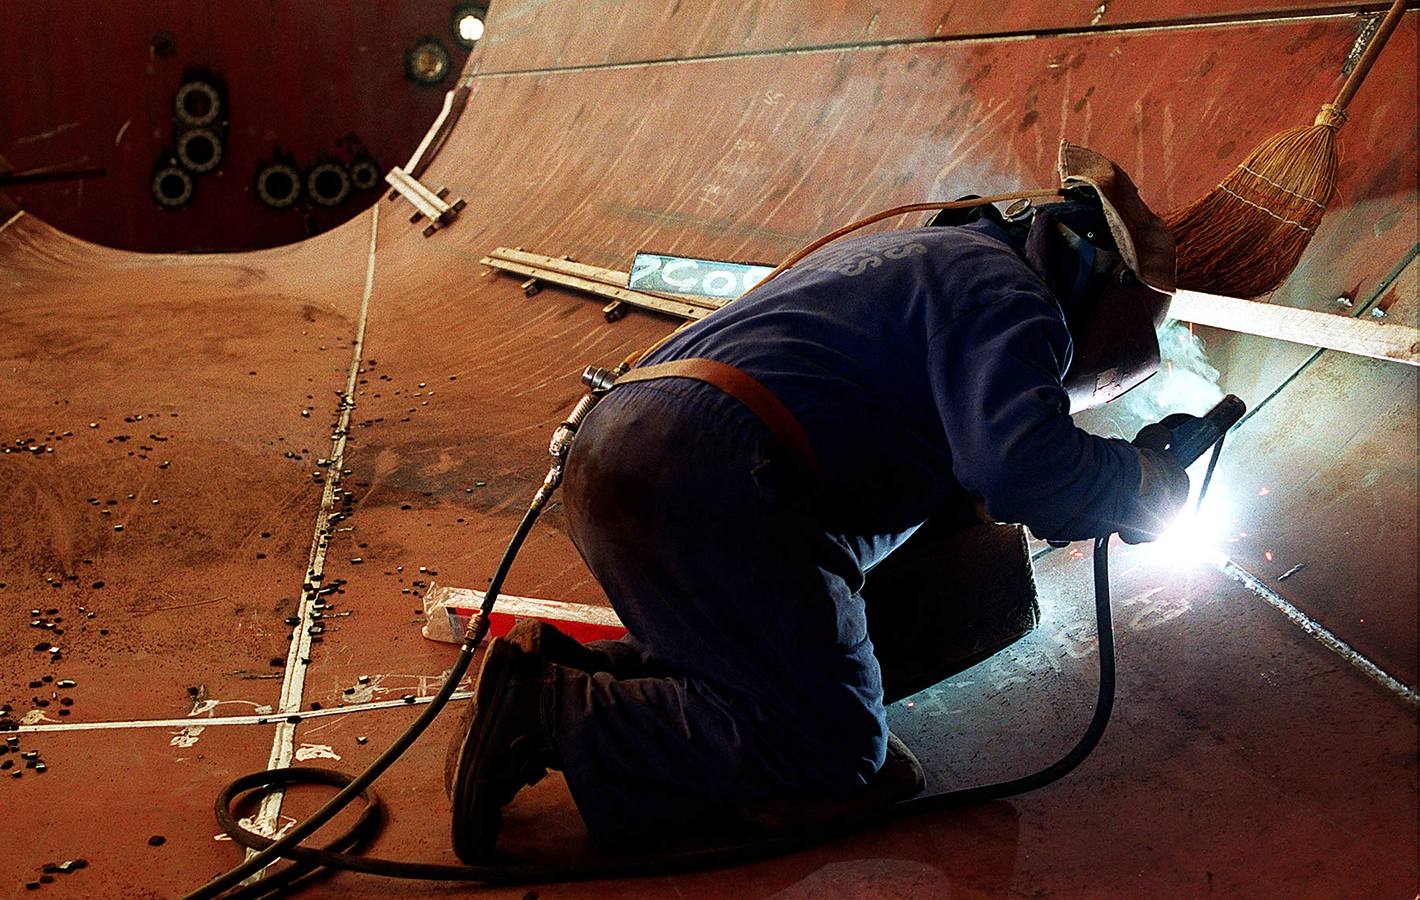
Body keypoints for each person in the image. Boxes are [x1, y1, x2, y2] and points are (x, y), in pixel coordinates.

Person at [446, 142, 1190, 858]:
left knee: (738, 653)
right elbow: (1024, 469)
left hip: (620, 453)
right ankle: (548, 717)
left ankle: (577, 674)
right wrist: (1143, 484)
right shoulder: (1019, 300)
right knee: (839, 753)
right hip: (715, 476)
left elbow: (965, 479)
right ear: (1106, 291)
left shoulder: (924, 262)